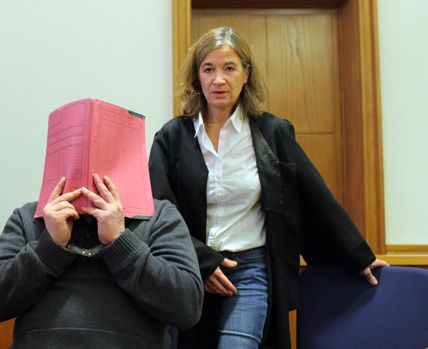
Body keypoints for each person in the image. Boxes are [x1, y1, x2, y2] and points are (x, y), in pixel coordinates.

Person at [148, 26, 388, 349]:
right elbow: (159, 209)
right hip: (192, 271)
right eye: (209, 69)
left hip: (251, 272)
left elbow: (315, 196)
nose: (219, 79)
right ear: (197, 77)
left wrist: (358, 255)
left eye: (229, 68)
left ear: (246, 74)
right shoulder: (171, 138)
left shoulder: (272, 133)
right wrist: (201, 261)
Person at [0, 173, 203, 349]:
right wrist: (50, 246)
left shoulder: (159, 216)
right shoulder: (29, 217)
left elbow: (187, 307)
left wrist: (120, 241)